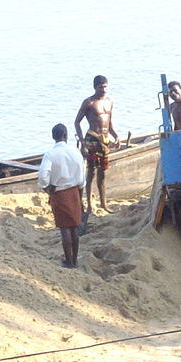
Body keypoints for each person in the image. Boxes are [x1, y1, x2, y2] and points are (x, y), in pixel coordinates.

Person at [37, 123, 86, 268]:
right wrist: (80, 191)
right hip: (75, 191)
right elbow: (82, 174)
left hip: (59, 193)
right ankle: (75, 259)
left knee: (65, 228)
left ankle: (69, 261)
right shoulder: (75, 152)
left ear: (53, 137)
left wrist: (47, 188)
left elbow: (42, 177)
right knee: (74, 226)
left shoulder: (50, 154)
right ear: (66, 136)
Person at [74, 75, 119, 214]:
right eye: (101, 87)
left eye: (106, 86)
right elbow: (77, 122)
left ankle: (103, 204)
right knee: (91, 172)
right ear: (95, 87)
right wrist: (82, 142)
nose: (104, 89)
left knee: (103, 172)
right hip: (92, 138)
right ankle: (89, 205)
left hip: (105, 140)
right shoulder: (89, 102)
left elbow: (109, 123)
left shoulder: (110, 102)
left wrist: (116, 136)